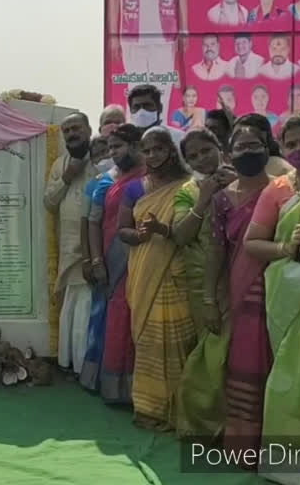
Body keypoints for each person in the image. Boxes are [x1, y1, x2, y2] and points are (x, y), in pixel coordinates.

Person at [203, 117, 273, 465]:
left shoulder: (282, 190)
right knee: (243, 362)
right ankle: (244, 451)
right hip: (239, 290)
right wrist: (208, 299)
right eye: (241, 146)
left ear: (267, 147)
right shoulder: (221, 200)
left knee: (281, 366)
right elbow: (216, 251)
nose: (249, 151)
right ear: (229, 153)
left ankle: (283, 452)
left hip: (280, 293)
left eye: (255, 144)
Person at [117, 127, 194, 431]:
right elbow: (123, 229)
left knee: (181, 340)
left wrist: (164, 231)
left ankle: (180, 410)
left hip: (177, 273)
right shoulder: (135, 189)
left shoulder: (189, 186)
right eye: (147, 150)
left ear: (171, 150)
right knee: (149, 338)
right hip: (144, 269)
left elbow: (192, 231)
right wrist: (140, 235)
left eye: (159, 148)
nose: (152, 155)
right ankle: (150, 410)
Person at [172, 129, 236, 438]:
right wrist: (205, 197)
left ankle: (241, 425)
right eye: (193, 156)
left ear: (219, 147)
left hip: (243, 276)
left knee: (243, 351)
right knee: (212, 350)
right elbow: (181, 236)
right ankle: (209, 425)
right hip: (203, 284)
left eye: (205, 150)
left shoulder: (245, 178)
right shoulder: (188, 189)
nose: (201, 159)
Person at [261, 114, 300, 483]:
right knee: (292, 377)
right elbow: (253, 242)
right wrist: (287, 247)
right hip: (291, 293)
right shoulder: (279, 188)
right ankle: (294, 470)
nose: (299, 150)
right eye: (291, 144)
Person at [95, 124, 147, 404]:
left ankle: (135, 393)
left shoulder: (148, 179)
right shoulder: (117, 179)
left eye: (119, 146)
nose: (113, 152)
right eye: (110, 147)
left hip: (137, 261)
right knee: (117, 322)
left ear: (137, 146)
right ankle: (116, 391)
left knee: (132, 323)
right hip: (113, 259)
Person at [43, 112, 98, 376]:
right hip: (69, 247)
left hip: (97, 247)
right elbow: (49, 202)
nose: (72, 134)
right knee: (73, 305)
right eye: (67, 131)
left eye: (76, 128)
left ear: (89, 130)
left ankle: (88, 366)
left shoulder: (102, 160)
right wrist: (68, 175)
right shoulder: (59, 164)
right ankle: (70, 364)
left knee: (89, 307)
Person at [107, 0, 191, 117]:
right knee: (135, 91)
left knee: (162, 91)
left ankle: (160, 135)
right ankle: (134, 134)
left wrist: (184, 29)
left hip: (164, 36)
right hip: (132, 35)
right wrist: (113, 35)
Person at [77, 135, 115, 391]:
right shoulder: (94, 184)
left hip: (128, 256)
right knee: (101, 318)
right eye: (97, 152)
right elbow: (86, 224)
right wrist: (91, 259)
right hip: (103, 257)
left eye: (107, 150)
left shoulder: (135, 179)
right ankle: (96, 378)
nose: (102, 155)